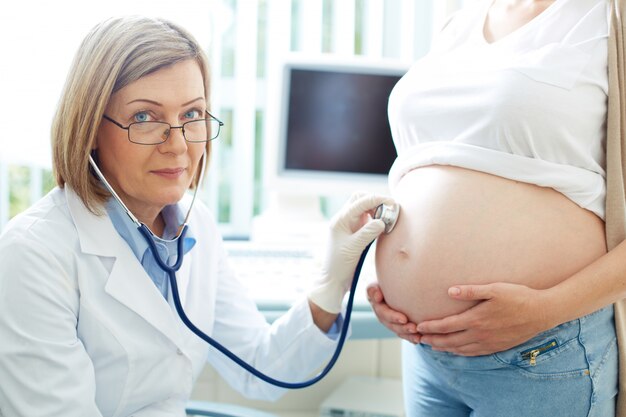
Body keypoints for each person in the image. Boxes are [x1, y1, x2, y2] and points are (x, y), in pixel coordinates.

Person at [0, 16, 392, 417]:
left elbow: (261, 367)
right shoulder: (34, 254)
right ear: (90, 128)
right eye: (143, 117)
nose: (178, 145)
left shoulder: (194, 224)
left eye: (191, 115)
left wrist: (331, 283)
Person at [366, 0, 623, 415]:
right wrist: (398, 284)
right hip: (426, 352)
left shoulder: (607, 19)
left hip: (543, 349)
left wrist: (546, 310)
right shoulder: (460, 17)